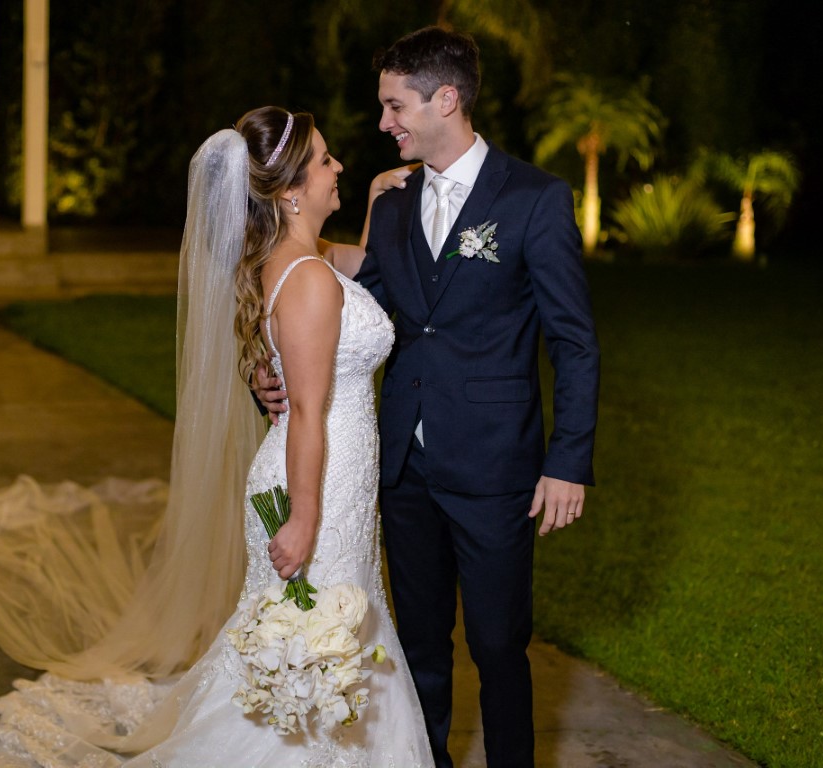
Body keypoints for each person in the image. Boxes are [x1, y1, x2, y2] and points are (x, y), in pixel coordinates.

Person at [0, 106, 435, 767]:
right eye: (325, 160)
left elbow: (370, 269)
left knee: (323, 636)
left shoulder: (304, 260)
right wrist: (303, 519)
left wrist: (376, 198)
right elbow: (308, 410)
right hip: (313, 481)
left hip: (330, 474)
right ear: (290, 192)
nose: (338, 167)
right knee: (315, 637)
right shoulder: (310, 279)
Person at [257, 26, 600, 768]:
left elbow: (574, 342)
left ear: (446, 99)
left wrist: (568, 461)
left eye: (394, 106)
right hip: (403, 471)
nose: (384, 123)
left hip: (495, 467)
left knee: (498, 645)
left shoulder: (534, 199)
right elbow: (365, 312)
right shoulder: (395, 202)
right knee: (416, 647)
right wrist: (277, 368)